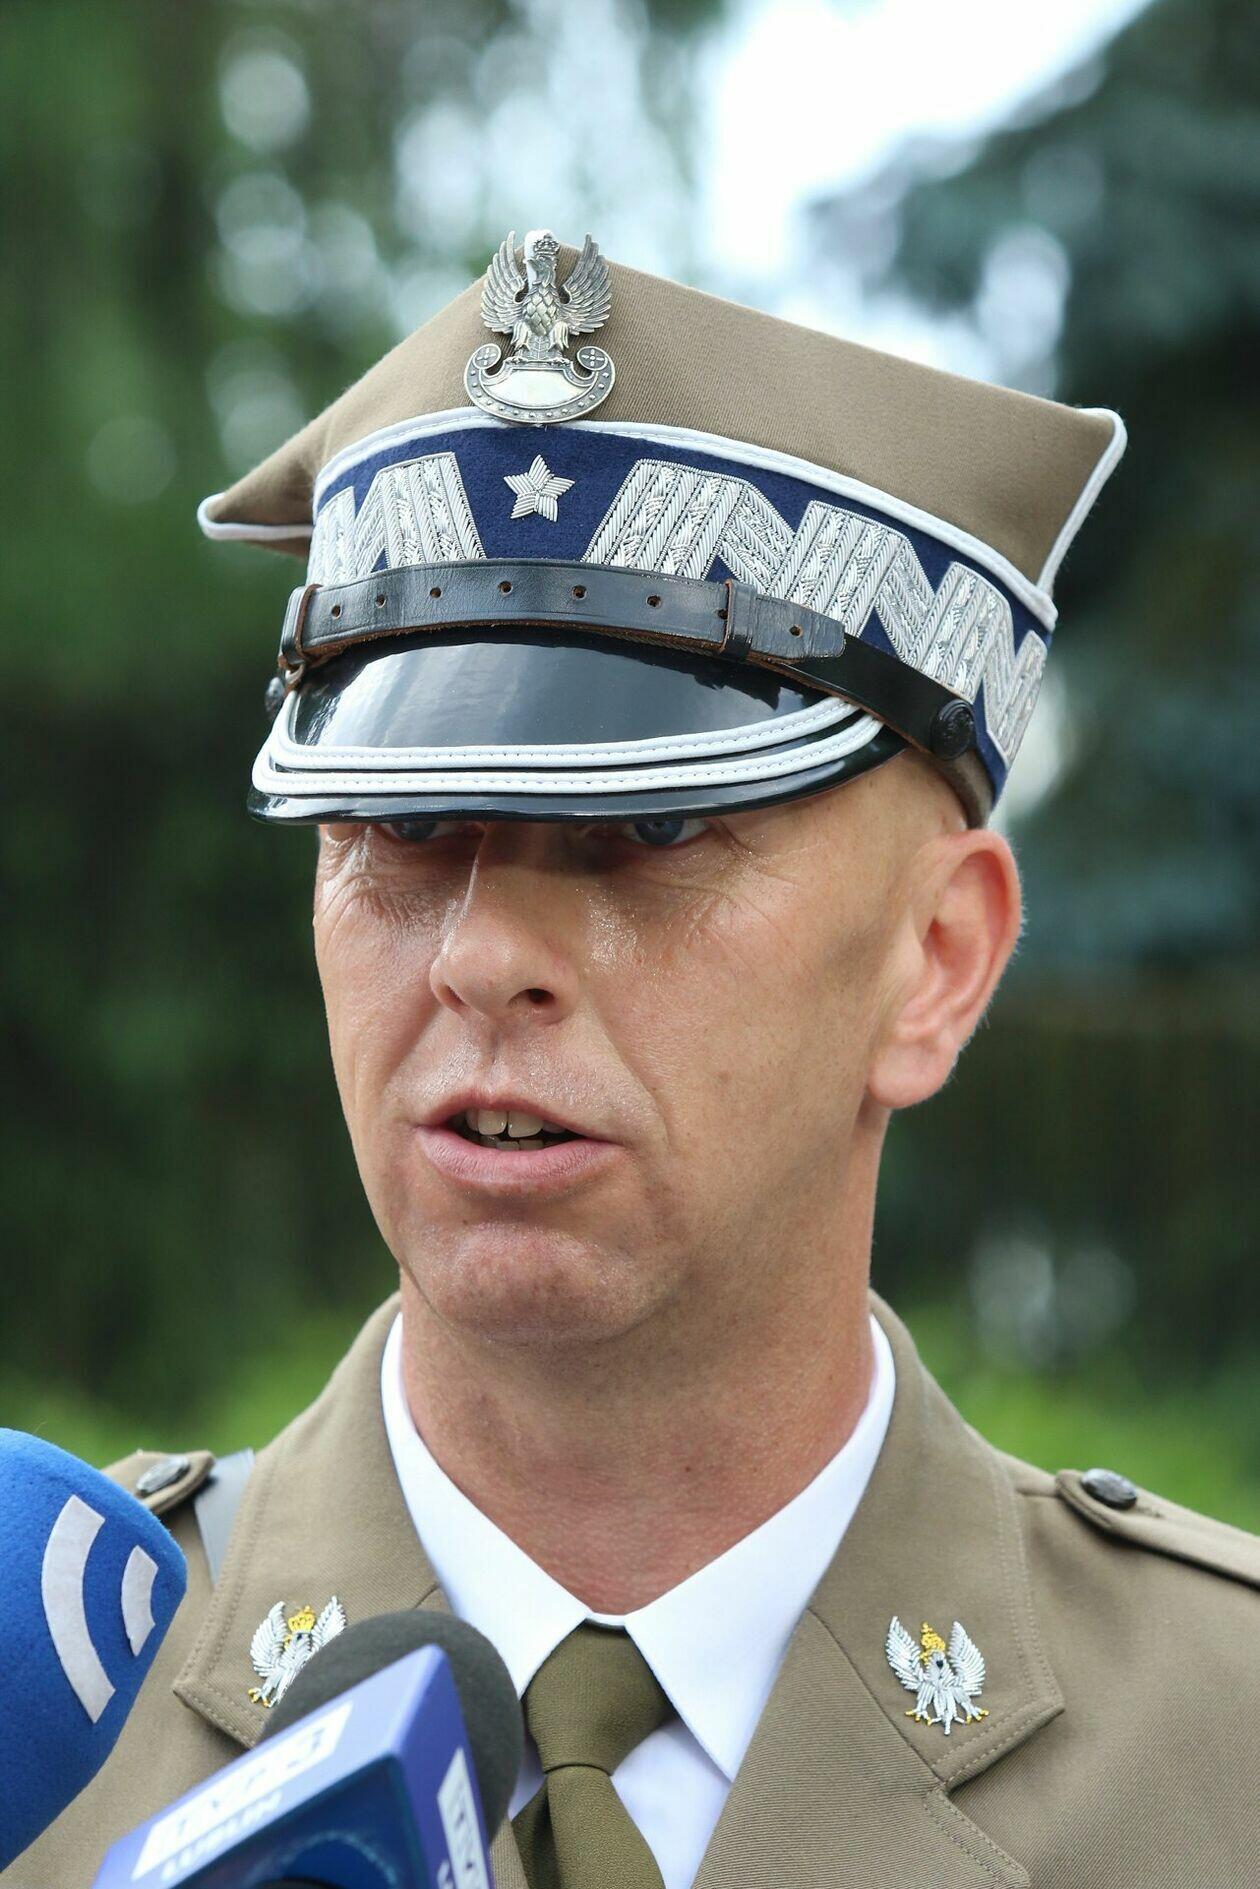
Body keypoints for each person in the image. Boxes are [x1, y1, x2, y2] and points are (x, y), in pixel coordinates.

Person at [13, 234, 1257, 1889]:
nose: (480, 954)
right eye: (395, 828)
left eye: (652, 829)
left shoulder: (1224, 1749)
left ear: (936, 960)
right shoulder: (45, 1723)